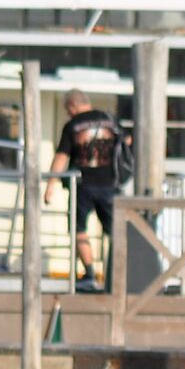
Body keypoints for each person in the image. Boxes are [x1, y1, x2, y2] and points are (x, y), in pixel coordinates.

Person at [47, 90, 124, 291]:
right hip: (110, 184)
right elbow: (127, 144)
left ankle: (89, 273)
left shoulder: (72, 126)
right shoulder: (110, 121)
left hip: (82, 185)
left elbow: (62, 157)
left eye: (68, 109)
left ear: (72, 106)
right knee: (116, 231)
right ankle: (117, 276)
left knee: (78, 229)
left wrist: (50, 184)